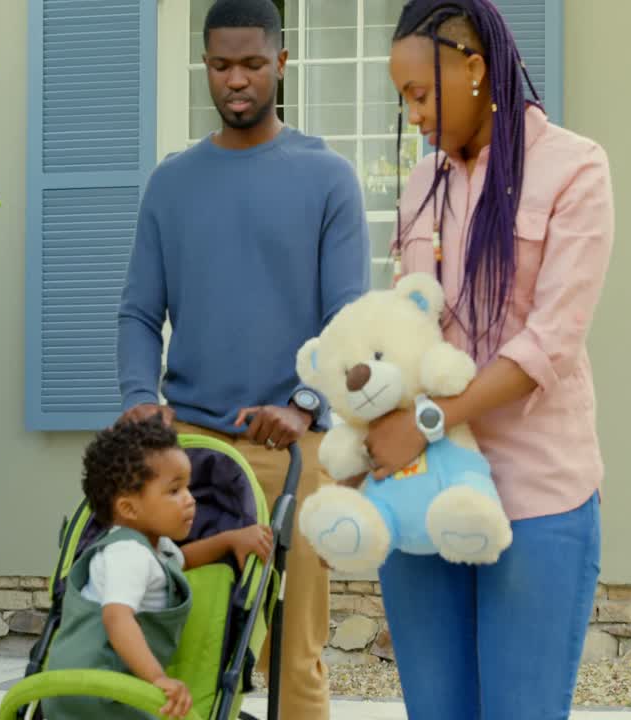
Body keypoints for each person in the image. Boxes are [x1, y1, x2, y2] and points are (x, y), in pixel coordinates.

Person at [358, 1, 615, 718]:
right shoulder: (420, 188)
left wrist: (430, 420)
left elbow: (548, 345)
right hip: (422, 495)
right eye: (401, 97)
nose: (411, 114)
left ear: (473, 68)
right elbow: (405, 331)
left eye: (421, 93)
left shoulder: (575, 169)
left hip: (538, 496)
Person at [115, 0, 371, 715]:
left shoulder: (328, 178)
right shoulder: (172, 182)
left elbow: (347, 321)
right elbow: (139, 311)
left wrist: (303, 404)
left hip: (295, 453)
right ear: (206, 64)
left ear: (281, 64)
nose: (237, 80)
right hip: (186, 452)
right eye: (222, 65)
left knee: (295, 651)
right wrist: (140, 397)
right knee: (177, 633)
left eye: (253, 64)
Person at [41, 417, 275, 720]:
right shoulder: (127, 554)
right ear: (129, 508)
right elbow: (116, 618)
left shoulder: (153, 551)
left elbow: (184, 560)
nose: (191, 500)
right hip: (101, 694)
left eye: (188, 488)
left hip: (81, 693)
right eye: (175, 491)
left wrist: (230, 540)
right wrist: (157, 678)